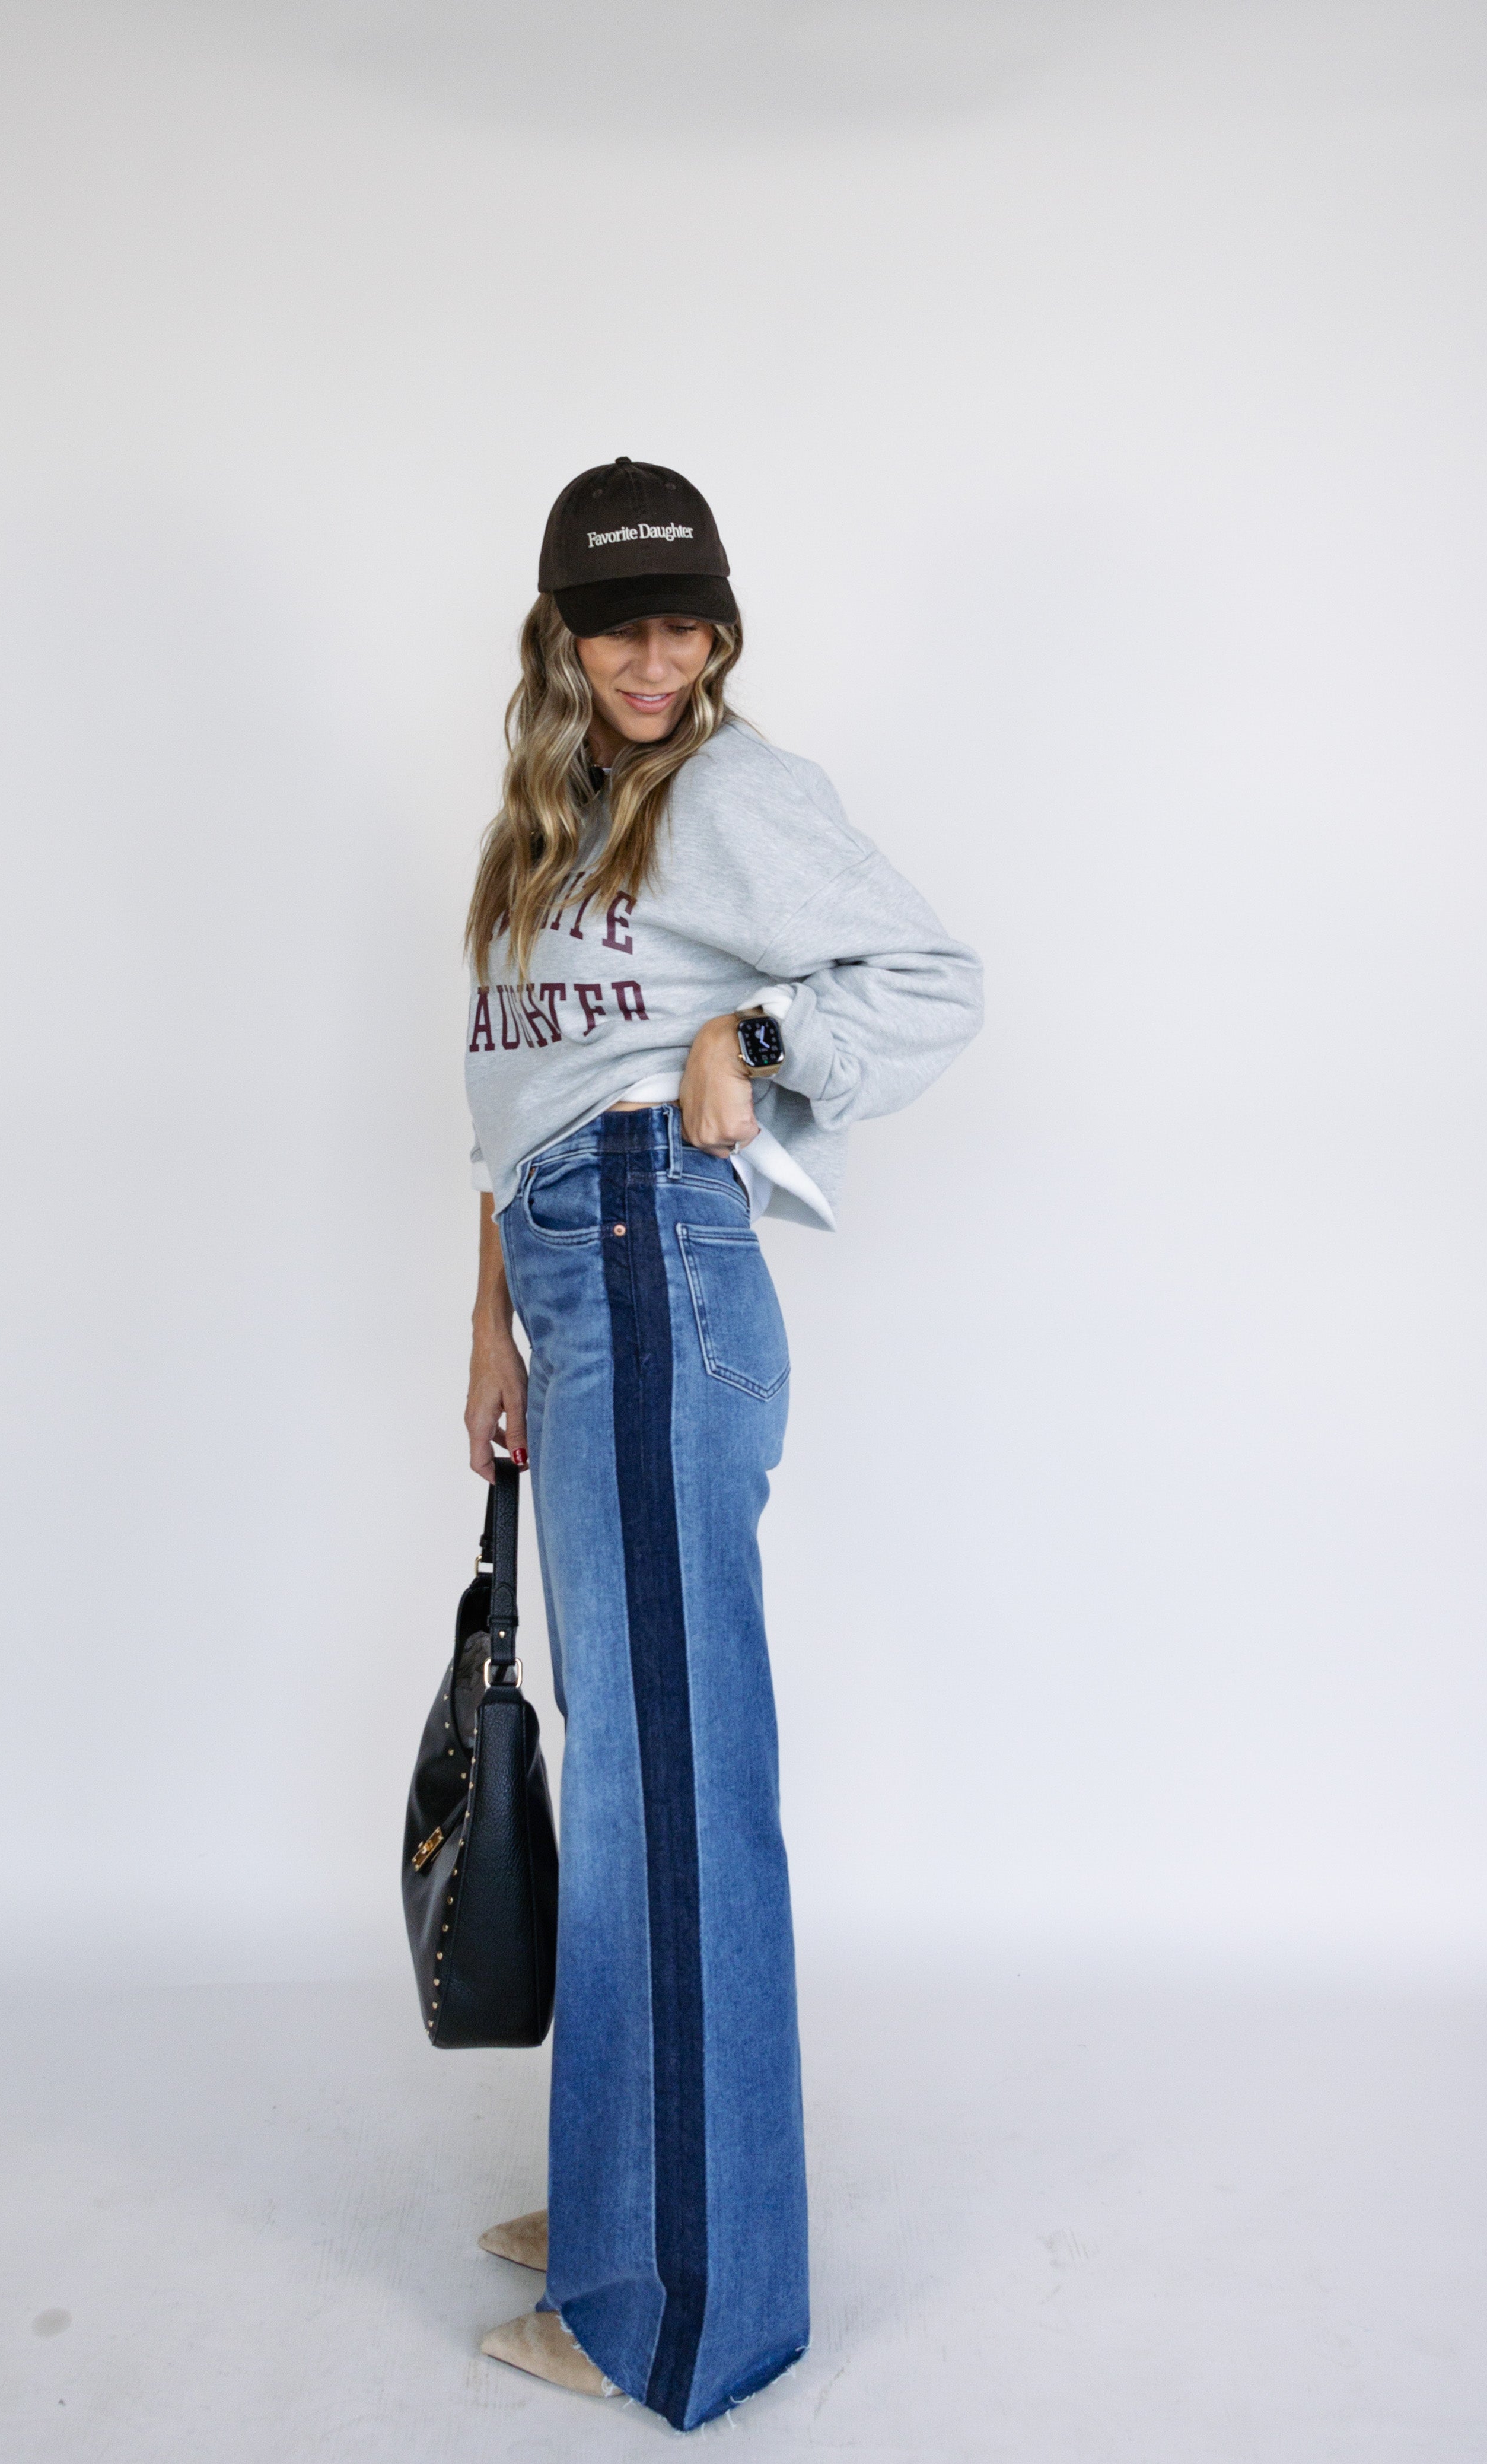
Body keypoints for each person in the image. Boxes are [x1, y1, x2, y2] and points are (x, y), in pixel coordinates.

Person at [461, 457, 982, 2430]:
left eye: (685, 623)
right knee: (630, 1769)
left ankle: (684, 2298)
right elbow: (515, 1083)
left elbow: (929, 979)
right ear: (563, 635)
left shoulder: (734, 792)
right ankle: (634, 2191)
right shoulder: (549, 818)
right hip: (573, 1269)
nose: (655, 658)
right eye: (621, 626)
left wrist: (749, 1040)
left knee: (674, 1784)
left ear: (721, 629)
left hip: (655, 1260)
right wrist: (491, 1315)